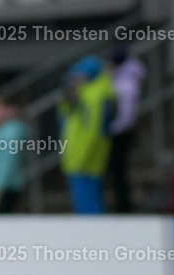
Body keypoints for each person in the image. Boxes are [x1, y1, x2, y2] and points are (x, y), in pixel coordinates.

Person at [58, 56, 116, 214]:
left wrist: (82, 157)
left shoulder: (95, 96)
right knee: (85, 202)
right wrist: (69, 99)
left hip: (85, 158)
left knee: (89, 204)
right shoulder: (87, 94)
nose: (75, 80)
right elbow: (70, 117)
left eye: (78, 76)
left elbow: (93, 131)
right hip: (79, 157)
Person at [106, 46, 145, 213]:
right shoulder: (122, 78)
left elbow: (127, 114)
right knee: (117, 172)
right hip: (121, 130)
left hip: (122, 132)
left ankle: (124, 207)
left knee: (119, 171)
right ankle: (121, 204)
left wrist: (113, 129)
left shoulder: (127, 82)